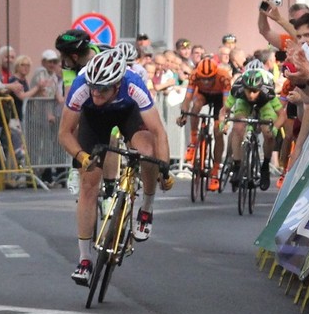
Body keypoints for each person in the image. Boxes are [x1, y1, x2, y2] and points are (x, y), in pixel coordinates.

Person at [56, 48, 172, 286]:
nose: (97, 93)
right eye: (94, 87)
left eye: (104, 88)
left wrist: (165, 169)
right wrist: (82, 156)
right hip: (93, 120)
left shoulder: (133, 85)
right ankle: (85, 259)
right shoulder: (82, 86)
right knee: (88, 185)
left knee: (148, 153)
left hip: (127, 114)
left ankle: (146, 208)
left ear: (117, 84)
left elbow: (159, 132)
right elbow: (64, 134)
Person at [177, 57, 233, 191]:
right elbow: (187, 99)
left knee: (217, 132)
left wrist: (223, 121)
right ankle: (193, 140)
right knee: (195, 106)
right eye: (203, 79)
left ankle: (215, 171)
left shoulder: (223, 77)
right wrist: (184, 115)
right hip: (203, 95)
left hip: (220, 97)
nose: (206, 82)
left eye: (210, 79)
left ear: (215, 75)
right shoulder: (194, 75)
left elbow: (226, 105)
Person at [224, 69, 280, 191]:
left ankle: (265, 166)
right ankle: (237, 165)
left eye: (254, 91)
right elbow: (225, 110)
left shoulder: (267, 92)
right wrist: (223, 124)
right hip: (243, 103)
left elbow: (282, 115)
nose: (251, 94)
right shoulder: (237, 89)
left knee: (268, 133)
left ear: (260, 88)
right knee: (238, 128)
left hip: (264, 104)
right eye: (248, 90)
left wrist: (274, 128)